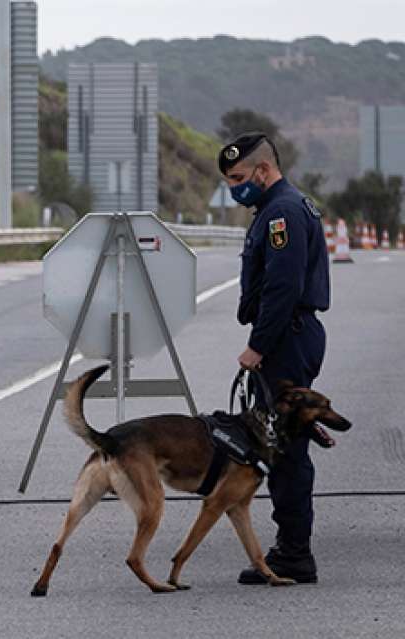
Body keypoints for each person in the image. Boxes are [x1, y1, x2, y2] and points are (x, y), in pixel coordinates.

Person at [219, 132, 331, 584]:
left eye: (240, 178)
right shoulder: (275, 207)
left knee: (285, 451)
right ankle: (290, 545)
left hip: (288, 338)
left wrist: (258, 347)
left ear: (263, 170)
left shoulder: (282, 212)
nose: (235, 188)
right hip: (291, 336)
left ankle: (294, 554)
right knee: (281, 446)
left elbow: (282, 290)